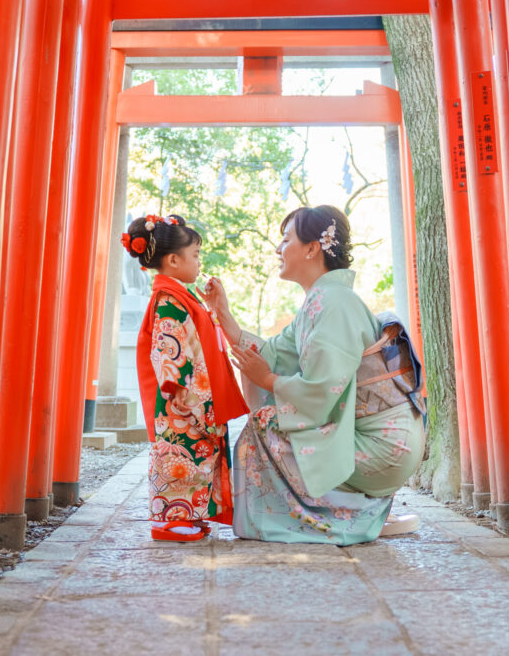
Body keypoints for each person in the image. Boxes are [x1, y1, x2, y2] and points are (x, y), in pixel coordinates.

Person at [202, 205, 426, 545]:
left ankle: (348, 515)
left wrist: (268, 381)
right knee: (265, 415)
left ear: (312, 248)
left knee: (262, 426)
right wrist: (225, 316)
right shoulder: (321, 301)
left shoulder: (334, 303)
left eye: (286, 239)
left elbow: (321, 391)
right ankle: (351, 509)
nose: (278, 248)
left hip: (383, 447)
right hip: (375, 438)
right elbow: (274, 355)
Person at [124, 214, 249, 542]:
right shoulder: (168, 300)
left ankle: (189, 515)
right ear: (173, 259)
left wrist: (212, 307)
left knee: (196, 456)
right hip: (180, 396)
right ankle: (171, 520)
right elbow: (172, 355)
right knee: (181, 455)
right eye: (195, 255)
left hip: (193, 395)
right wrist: (188, 397)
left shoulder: (181, 296)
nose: (198, 262)